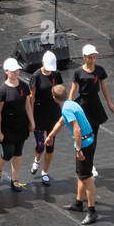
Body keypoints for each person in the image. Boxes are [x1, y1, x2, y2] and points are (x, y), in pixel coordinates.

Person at [44, 84, 98, 225]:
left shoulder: (67, 108)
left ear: (54, 98)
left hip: (84, 144)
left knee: (86, 178)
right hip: (89, 141)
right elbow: (61, 122)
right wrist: (50, 136)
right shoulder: (71, 104)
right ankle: (79, 203)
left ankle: (92, 211)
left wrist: (78, 149)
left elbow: (77, 129)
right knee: (81, 174)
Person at [69, 43, 111, 178]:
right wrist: (68, 106)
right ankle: (82, 162)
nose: (93, 60)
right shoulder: (78, 72)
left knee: (94, 136)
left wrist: (109, 103)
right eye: (90, 57)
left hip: (95, 106)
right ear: (84, 57)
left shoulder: (99, 70)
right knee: (83, 135)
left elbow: (103, 87)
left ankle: (90, 162)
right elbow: (73, 89)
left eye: (94, 57)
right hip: (83, 106)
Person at [0, 58, 34, 191]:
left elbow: (27, 105)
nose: (16, 72)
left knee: (18, 152)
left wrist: (32, 122)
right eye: (13, 70)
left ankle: (15, 180)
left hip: (21, 125)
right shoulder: (2, 90)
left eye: (17, 70)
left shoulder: (24, 86)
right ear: (6, 71)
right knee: (8, 153)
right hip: (8, 127)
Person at [29, 50, 64, 185]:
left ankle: (45, 172)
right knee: (40, 145)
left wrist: (63, 109)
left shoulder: (56, 74)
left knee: (50, 144)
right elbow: (31, 98)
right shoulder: (36, 76)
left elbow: (59, 92)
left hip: (53, 113)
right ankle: (37, 160)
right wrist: (31, 118)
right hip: (39, 113)